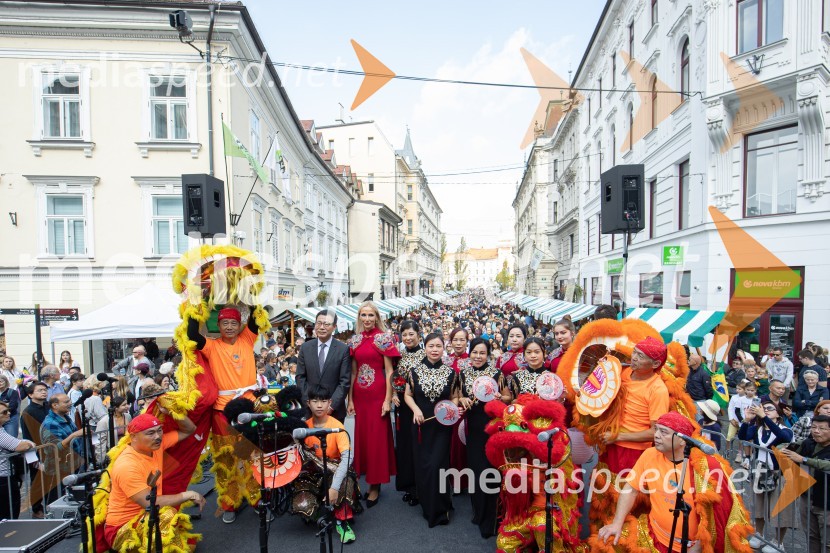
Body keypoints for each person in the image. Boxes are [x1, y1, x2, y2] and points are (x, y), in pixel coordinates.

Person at [597, 412, 750, 553]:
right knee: (606, 543)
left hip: (691, 548)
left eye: (663, 432)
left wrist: (696, 549)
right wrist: (617, 523)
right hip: (653, 535)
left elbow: (715, 520)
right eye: (656, 430)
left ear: (683, 440)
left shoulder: (706, 468)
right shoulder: (650, 454)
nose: (656, 435)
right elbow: (630, 489)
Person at [187, 305, 263, 523]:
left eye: (233, 323)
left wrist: (250, 295)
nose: (229, 327)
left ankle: (256, 498)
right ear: (218, 325)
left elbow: (256, 317)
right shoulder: (211, 346)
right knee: (226, 458)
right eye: (225, 323)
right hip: (222, 411)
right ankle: (229, 502)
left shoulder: (247, 338)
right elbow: (192, 334)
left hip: (249, 407)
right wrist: (195, 303)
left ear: (240, 325)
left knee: (251, 455)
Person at [102, 412, 204, 552]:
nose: (157, 436)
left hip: (148, 516)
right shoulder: (127, 465)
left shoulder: (155, 446)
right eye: (150, 433)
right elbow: (150, 503)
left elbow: (189, 430)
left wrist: (171, 412)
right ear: (133, 437)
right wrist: (187, 495)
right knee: (168, 515)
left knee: (189, 545)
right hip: (122, 528)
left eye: (159, 430)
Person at [346, 302, 400, 507]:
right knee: (363, 440)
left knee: (377, 440)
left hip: (378, 395)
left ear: (377, 317)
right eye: (363, 315)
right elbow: (353, 372)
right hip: (360, 397)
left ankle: (375, 485)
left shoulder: (384, 339)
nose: (367, 319)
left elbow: (390, 371)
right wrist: (350, 399)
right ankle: (368, 480)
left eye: (370, 315)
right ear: (359, 317)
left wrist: (387, 400)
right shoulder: (355, 340)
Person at [405, 332, 461, 528]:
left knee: (438, 465)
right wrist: (416, 409)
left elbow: (455, 396)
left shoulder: (451, 372)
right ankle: (427, 505)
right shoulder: (414, 371)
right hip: (421, 425)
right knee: (424, 466)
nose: (435, 350)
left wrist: (451, 408)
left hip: (442, 426)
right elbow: (408, 395)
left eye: (438, 346)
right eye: (431, 346)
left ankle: (441, 507)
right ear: (425, 347)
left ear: (443, 348)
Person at [456, 337, 508, 538]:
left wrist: (500, 398)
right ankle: (478, 512)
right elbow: (456, 397)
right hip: (473, 430)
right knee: (476, 471)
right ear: (470, 353)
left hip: (492, 428)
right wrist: (462, 399)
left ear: (488, 355)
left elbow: (508, 396)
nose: (478, 356)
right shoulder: (463, 373)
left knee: (490, 472)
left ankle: (491, 518)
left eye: (482, 353)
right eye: (475, 352)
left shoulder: (496, 374)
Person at [600, 336, 671, 474]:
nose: (634, 358)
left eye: (640, 356)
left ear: (655, 364)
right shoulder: (622, 372)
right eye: (634, 352)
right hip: (609, 441)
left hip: (633, 450)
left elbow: (656, 432)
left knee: (623, 486)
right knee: (602, 483)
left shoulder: (658, 390)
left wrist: (617, 437)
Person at [301, 386, 361, 544]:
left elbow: (347, 458)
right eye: (315, 401)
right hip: (313, 471)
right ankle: (314, 510)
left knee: (346, 481)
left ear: (330, 403)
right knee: (302, 503)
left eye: (323, 401)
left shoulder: (337, 426)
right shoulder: (304, 427)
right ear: (308, 403)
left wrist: (334, 487)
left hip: (334, 469)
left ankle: (342, 522)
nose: (319, 405)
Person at [739, 400, 794, 552]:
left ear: (778, 413)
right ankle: (759, 534)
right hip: (760, 472)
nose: (766, 410)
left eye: (770, 408)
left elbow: (783, 437)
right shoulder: (758, 429)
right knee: (758, 506)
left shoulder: (785, 429)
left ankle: (778, 541)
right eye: (763, 408)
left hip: (779, 474)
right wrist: (746, 420)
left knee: (779, 508)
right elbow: (743, 437)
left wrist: (764, 417)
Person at [780, 414, 830, 553]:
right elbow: (786, 446)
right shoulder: (809, 443)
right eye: (813, 427)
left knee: (827, 542)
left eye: (822, 428)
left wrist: (804, 460)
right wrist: (785, 449)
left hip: (827, 503)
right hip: (808, 498)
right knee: (811, 536)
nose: (816, 431)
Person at [296, 309, 352, 421]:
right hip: (310, 410)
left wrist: (331, 406)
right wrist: (310, 403)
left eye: (326, 324)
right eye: (319, 323)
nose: (322, 327)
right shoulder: (305, 348)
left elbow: (344, 381)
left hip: (334, 411)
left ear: (334, 327)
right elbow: (300, 377)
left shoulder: (343, 349)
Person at [392, 320, 424, 506]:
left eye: (411, 334)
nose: (408, 338)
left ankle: (421, 487)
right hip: (402, 406)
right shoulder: (399, 354)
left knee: (418, 444)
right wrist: (393, 393)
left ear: (418, 334)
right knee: (404, 445)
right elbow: (394, 377)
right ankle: (408, 486)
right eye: (404, 335)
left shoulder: (426, 354)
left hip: (419, 405)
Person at [40, 394, 87, 501]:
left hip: (71, 466)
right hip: (58, 470)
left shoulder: (65, 417)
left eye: (69, 400)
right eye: (66, 402)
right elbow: (53, 449)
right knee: (58, 501)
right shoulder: (50, 423)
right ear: (55, 405)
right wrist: (74, 435)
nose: (70, 403)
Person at [0, 401, 35, 520]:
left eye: (8, 410)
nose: (9, 413)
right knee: (9, 513)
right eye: (4, 412)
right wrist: (29, 443)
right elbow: (21, 446)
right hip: (4, 478)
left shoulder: (2, 430)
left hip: (5, 477)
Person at [21, 381, 50, 517]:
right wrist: (34, 460)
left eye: (45, 390)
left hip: (50, 450)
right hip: (37, 451)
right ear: (30, 394)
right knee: (37, 482)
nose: (43, 392)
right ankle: (36, 508)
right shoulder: (28, 412)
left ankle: (51, 506)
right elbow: (27, 437)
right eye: (39, 390)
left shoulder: (49, 407)